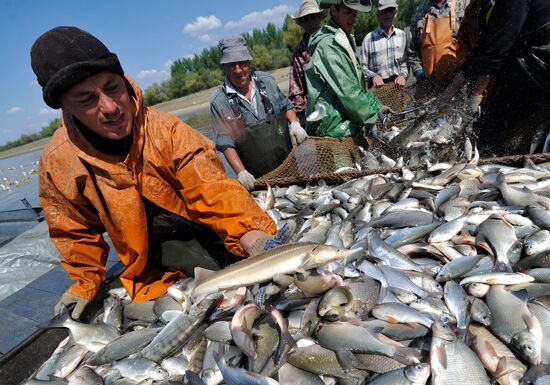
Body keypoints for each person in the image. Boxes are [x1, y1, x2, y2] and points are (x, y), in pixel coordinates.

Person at [31, 26, 284, 319]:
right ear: (64, 106)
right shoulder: (58, 163)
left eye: (113, 87)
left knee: (229, 272)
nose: (111, 108)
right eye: (87, 100)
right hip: (148, 257)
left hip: (200, 225)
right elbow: (74, 232)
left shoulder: (167, 130)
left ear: (124, 80)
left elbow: (212, 186)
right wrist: (85, 285)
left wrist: (250, 232)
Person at [442, 0, 550, 156]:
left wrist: (474, 99)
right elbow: (487, 44)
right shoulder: (486, 5)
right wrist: (450, 91)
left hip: (538, 82)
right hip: (524, 79)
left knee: (487, 141)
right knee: (485, 135)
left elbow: (498, 48)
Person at [210, 35, 308, 190]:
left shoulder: (266, 81)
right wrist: (241, 172)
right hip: (258, 181)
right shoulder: (219, 102)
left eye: (242, 63)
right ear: (224, 66)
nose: (237, 70)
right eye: (231, 65)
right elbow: (225, 143)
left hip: (289, 167)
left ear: (249, 62)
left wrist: (295, 123)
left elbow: (285, 106)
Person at [305, 0, 385, 139]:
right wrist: (371, 116)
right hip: (333, 131)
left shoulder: (343, 38)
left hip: (345, 125)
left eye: (355, 13)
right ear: (334, 10)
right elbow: (348, 92)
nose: (353, 18)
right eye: (348, 12)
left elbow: (357, 85)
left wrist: (378, 107)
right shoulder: (328, 45)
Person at [408, 0, 470, 84]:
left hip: (458, 83)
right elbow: (412, 51)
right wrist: (418, 70)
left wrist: (464, 73)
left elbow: (471, 43)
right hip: (428, 84)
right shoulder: (419, 12)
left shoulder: (463, 5)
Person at [289, 0, 326, 126]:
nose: (310, 22)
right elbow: (296, 90)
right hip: (315, 112)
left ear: (320, 17)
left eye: (313, 17)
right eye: (306, 19)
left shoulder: (331, 42)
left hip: (341, 106)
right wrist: (302, 117)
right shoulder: (298, 54)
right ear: (302, 23)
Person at [359, 0, 409, 88]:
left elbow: (404, 62)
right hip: (376, 89)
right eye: (384, 11)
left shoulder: (402, 35)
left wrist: (403, 75)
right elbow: (361, 68)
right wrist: (373, 76)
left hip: (398, 87)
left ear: (396, 13)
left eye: (391, 10)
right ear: (377, 15)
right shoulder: (369, 38)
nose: (388, 14)